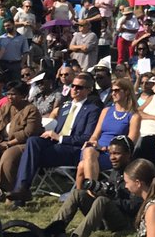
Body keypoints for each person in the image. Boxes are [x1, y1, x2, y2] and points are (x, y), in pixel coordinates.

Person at [8, 72, 100, 203]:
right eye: (73, 86)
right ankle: (22, 188)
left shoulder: (92, 110)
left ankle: (22, 190)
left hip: (72, 148)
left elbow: (86, 138)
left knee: (32, 155)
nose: (74, 89)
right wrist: (52, 136)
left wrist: (60, 138)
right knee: (33, 141)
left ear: (89, 90)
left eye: (79, 87)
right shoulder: (65, 106)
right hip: (56, 143)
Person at [55, 137, 138, 237]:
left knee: (102, 200)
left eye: (117, 154)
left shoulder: (136, 174)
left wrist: (113, 198)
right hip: (104, 216)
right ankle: (52, 230)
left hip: (124, 220)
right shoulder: (116, 171)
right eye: (110, 153)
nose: (112, 157)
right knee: (78, 193)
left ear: (129, 154)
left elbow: (135, 207)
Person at [75, 76, 140, 192]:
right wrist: (92, 142)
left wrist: (105, 148)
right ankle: (86, 194)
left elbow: (129, 144)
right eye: (112, 90)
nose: (113, 93)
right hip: (95, 151)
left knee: (82, 166)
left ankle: (88, 194)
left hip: (114, 154)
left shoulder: (134, 116)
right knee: (88, 151)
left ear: (126, 92)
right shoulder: (106, 111)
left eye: (116, 90)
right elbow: (95, 134)